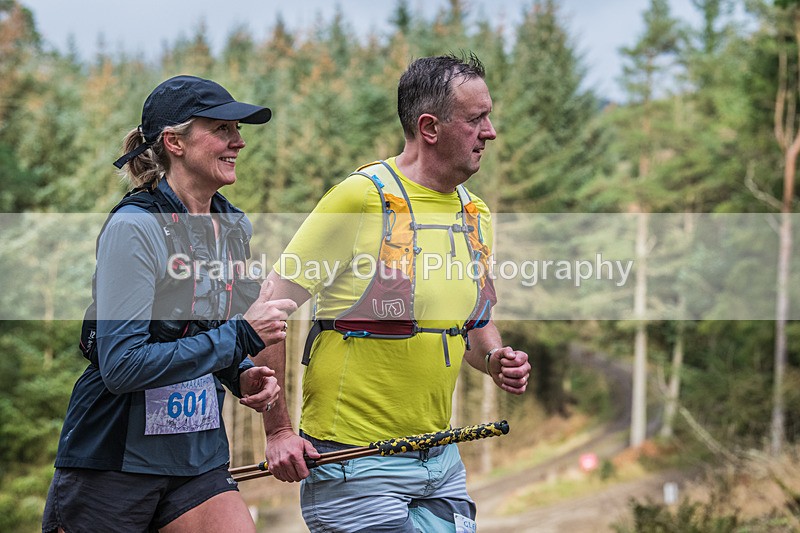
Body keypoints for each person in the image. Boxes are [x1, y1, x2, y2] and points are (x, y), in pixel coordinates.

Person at [256, 52, 531, 532]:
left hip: (440, 459)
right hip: (352, 461)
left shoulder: (476, 214)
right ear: (429, 127)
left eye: (489, 117)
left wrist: (494, 360)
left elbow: (473, 319)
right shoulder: (359, 198)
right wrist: (278, 430)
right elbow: (268, 308)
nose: (490, 132)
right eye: (476, 119)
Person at [42, 75, 298, 533]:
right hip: (113, 464)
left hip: (197, 458)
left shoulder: (232, 225)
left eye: (238, 131)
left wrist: (238, 373)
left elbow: (200, 333)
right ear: (175, 141)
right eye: (222, 129)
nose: (238, 141)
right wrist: (240, 335)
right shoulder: (134, 228)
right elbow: (122, 365)